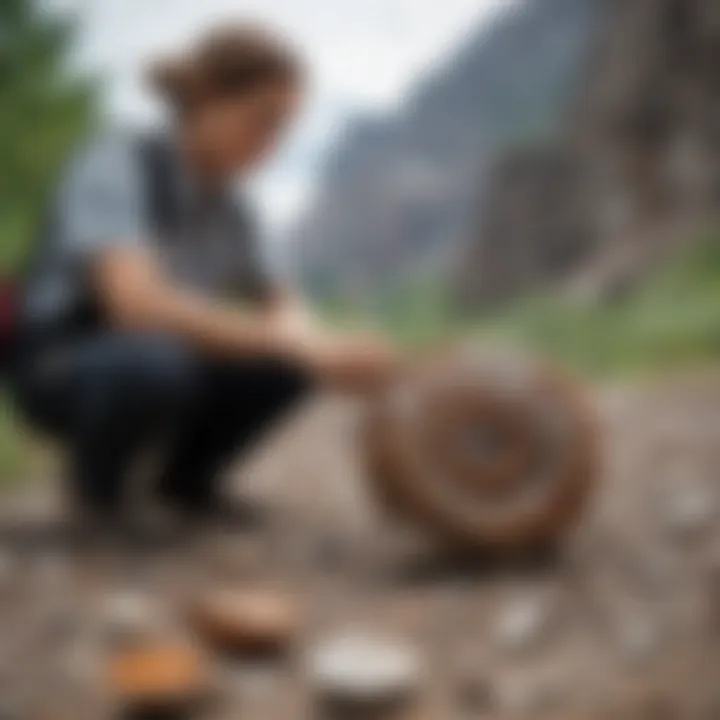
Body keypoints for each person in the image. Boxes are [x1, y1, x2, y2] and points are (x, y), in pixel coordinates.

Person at [11, 23, 397, 528]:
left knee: (284, 366)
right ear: (207, 100)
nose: (270, 144)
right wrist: (291, 342)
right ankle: (96, 492)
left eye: (283, 130)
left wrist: (326, 349)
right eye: (261, 121)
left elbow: (284, 306)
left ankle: (186, 483)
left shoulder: (235, 209)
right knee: (154, 363)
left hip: (156, 355)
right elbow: (135, 303)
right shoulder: (118, 161)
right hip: (62, 360)